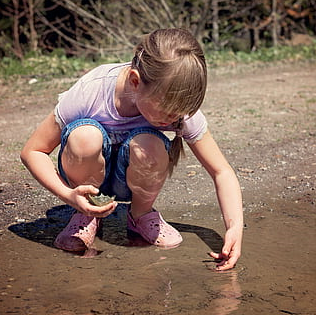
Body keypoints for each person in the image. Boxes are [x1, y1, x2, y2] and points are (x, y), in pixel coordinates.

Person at [20, 28, 243, 271]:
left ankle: (140, 215)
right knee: (85, 137)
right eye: (167, 111)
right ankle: (86, 214)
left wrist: (233, 229)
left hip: (132, 181)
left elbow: (221, 171)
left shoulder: (177, 105)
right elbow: (33, 151)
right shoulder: (93, 90)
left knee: (149, 145)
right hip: (84, 179)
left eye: (179, 113)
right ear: (136, 82)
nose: (173, 117)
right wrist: (68, 196)